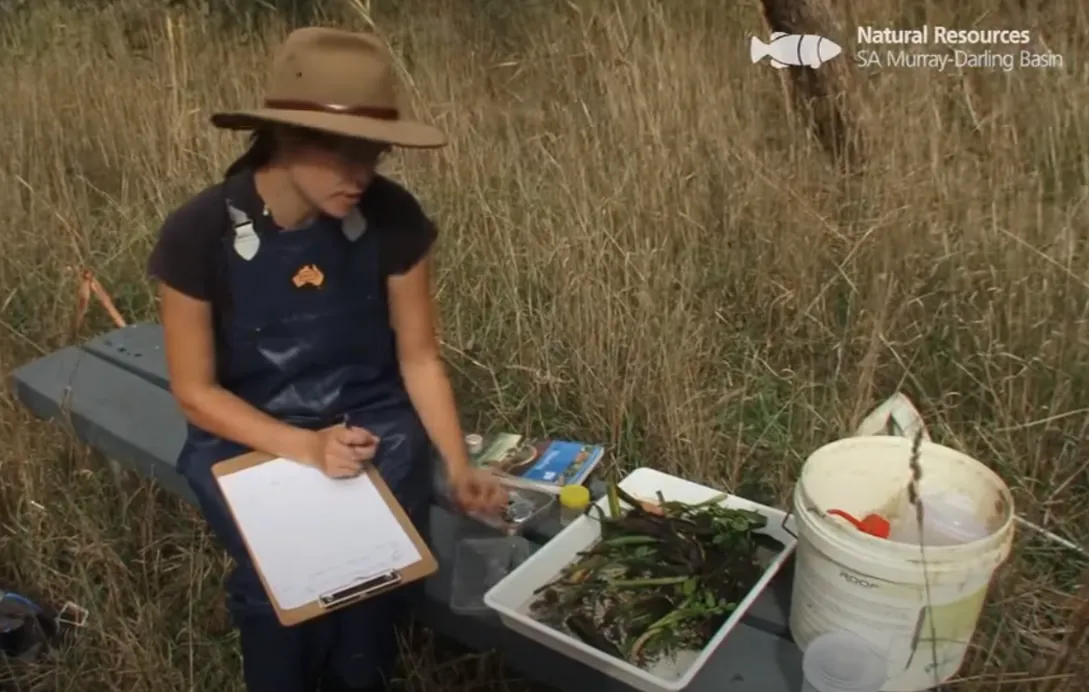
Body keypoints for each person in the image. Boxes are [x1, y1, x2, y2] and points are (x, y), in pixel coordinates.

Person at [146, 27, 509, 692]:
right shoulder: (199, 232)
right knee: (285, 589)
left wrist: (459, 465)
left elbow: (420, 358)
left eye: (371, 152)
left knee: (374, 585)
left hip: (375, 423)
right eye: (339, 152)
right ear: (282, 138)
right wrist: (305, 447)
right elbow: (196, 392)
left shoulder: (393, 216)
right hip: (249, 434)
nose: (360, 173)